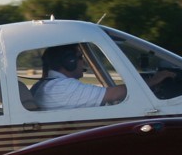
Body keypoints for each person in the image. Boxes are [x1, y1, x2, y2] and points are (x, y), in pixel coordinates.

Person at [31, 44, 174, 109]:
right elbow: (112, 94)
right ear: (69, 61)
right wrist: (153, 81)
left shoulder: (47, 85)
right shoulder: (62, 88)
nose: (84, 61)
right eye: (80, 57)